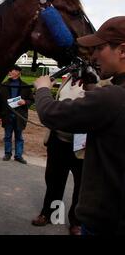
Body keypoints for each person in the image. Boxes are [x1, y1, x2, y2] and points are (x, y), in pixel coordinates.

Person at [34, 16, 125, 235]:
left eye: (99, 48)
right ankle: (51, 213)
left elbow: (51, 113)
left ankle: (73, 220)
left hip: (107, 222)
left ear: (122, 50)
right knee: (55, 182)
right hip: (60, 143)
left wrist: (43, 89)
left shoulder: (113, 95)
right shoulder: (109, 93)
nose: (93, 56)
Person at [31, 74, 84, 235]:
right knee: (54, 180)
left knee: (81, 186)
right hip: (58, 140)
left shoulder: (97, 81)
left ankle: (76, 222)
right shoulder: (67, 79)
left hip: (81, 144)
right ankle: (50, 214)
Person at [0, 64, 34, 164]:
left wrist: (25, 102)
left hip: (19, 116)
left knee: (19, 137)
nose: (9, 72)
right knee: (7, 136)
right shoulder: (3, 85)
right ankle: (7, 153)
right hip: (7, 115)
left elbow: (31, 100)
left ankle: (18, 155)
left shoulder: (26, 86)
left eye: (11, 70)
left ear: (17, 72)